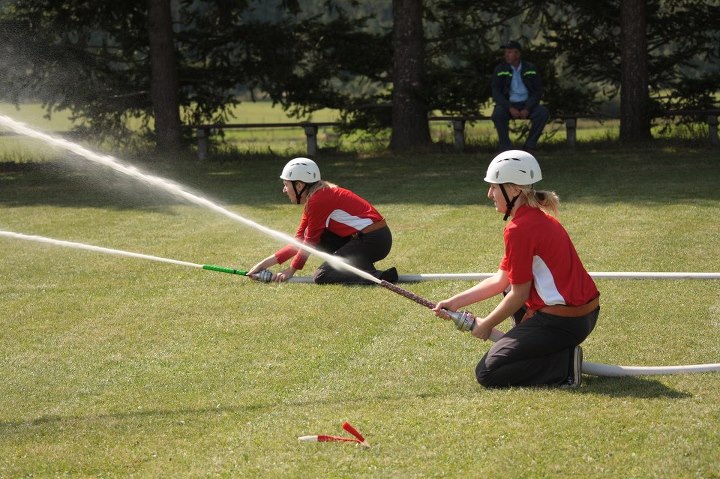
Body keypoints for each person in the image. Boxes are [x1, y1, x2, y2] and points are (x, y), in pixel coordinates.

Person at [433, 150, 599, 388]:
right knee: (511, 284)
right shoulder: (532, 218)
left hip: (563, 322)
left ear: (513, 189)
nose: (489, 193)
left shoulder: (519, 229)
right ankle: (536, 348)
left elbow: (519, 294)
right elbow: (502, 280)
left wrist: (486, 324)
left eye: (494, 186)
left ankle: (564, 367)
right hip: (582, 316)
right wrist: (455, 302)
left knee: (488, 373)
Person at [248, 157, 398, 284]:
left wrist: (290, 270)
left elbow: (310, 242)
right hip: (368, 238)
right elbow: (299, 241)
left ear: (299, 185)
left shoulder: (319, 200)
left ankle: (381, 277)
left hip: (375, 240)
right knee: (316, 236)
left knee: (322, 276)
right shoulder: (315, 198)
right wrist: (263, 264)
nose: (284, 190)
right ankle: (362, 266)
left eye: (286, 184)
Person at [491, 41, 550, 152]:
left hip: (527, 103)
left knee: (543, 113)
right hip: (509, 104)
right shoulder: (500, 69)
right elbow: (496, 92)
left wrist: (527, 108)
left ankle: (529, 146)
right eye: (505, 52)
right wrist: (510, 107)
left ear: (517, 54)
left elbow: (538, 91)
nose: (506, 55)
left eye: (509, 52)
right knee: (498, 114)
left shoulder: (531, 68)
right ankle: (506, 148)